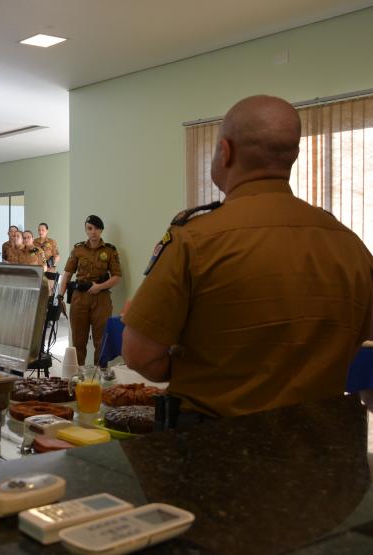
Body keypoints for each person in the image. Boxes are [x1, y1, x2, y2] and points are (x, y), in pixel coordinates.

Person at [121, 95, 373, 421]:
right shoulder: (349, 244)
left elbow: (139, 354)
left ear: (226, 152)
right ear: (293, 155)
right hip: (321, 440)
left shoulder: (195, 240)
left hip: (216, 442)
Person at [57, 215, 122, 369]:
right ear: (86, 230)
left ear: (101, 230)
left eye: (97, 228)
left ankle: (100, 375)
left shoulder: (110, 250)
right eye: (90, 228)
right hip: (80, 298)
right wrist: (59, 296)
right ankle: (78, 375)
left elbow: (117, 277)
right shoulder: (78, 250)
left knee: (101, 340)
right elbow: (67, 274)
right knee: (78, 340)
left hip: (101, 299)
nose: (93, 232)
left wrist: (99, 286)